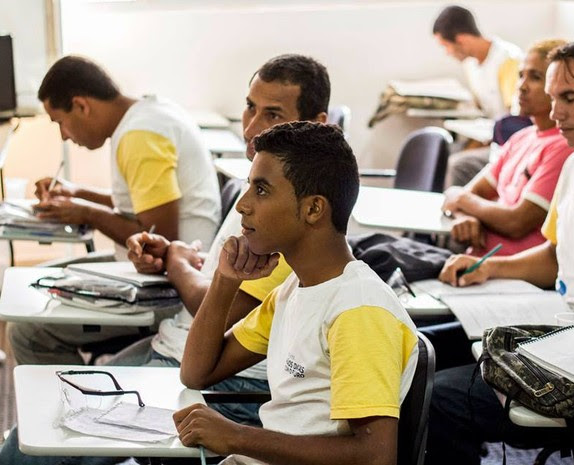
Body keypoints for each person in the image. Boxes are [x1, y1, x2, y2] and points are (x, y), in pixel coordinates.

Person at [0, 54, 332, 465]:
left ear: (316, 124)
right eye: (249, 107)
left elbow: (223, 316)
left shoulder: (291, 211)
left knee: (34, 439)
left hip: (219, 377)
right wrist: (185, 258)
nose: (250, 127)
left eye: (272, 114)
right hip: (187, 348)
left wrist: (177, 258)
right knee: (47, 413)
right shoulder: (264, 182)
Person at [174, 121, 419, 465]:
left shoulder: (358, 310)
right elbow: (197, 372)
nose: (243, 205)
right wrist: (226, 280)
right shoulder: (295, 289)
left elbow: (375, 456)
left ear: (313, 209)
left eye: (261, 190)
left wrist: (237, 436)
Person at [425, 37, 574, 465]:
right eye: (553, 99)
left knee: (438, 396)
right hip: (564, 330)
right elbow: (553, 258)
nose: (555, 114)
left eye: (569, 98)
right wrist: (489, 269)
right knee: (417, 350)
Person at [7, 55, 221, 366]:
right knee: (40, 279)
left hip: (170, 288)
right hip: (154, 272)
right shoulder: (147, 114)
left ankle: (72, 405)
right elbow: (143, 203)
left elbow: (158, 238)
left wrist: (87, 212)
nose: (64, 135)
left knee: (27, 331)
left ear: (82, 105)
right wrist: (78, 193)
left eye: (60, 123)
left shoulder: (139, 137)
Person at [442, 39, 574, 258]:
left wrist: (464, 202)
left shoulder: (562, 147)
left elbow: (516, 222)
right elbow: (465, 192)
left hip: (508, 273)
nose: (521, 86)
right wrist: (466, 217)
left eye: (535, 77)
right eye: (521, 75)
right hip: (474, 262)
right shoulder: (521, 138)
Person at [433, 5, 524, 187]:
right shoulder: (471, 65)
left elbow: (515, 116)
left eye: (446, 46)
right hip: (487, 134)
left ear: (461, 40)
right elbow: (482, 108)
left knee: (457, 163)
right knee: (440, 153)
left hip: (507, 139)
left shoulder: (508, 60)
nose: (447, 53)